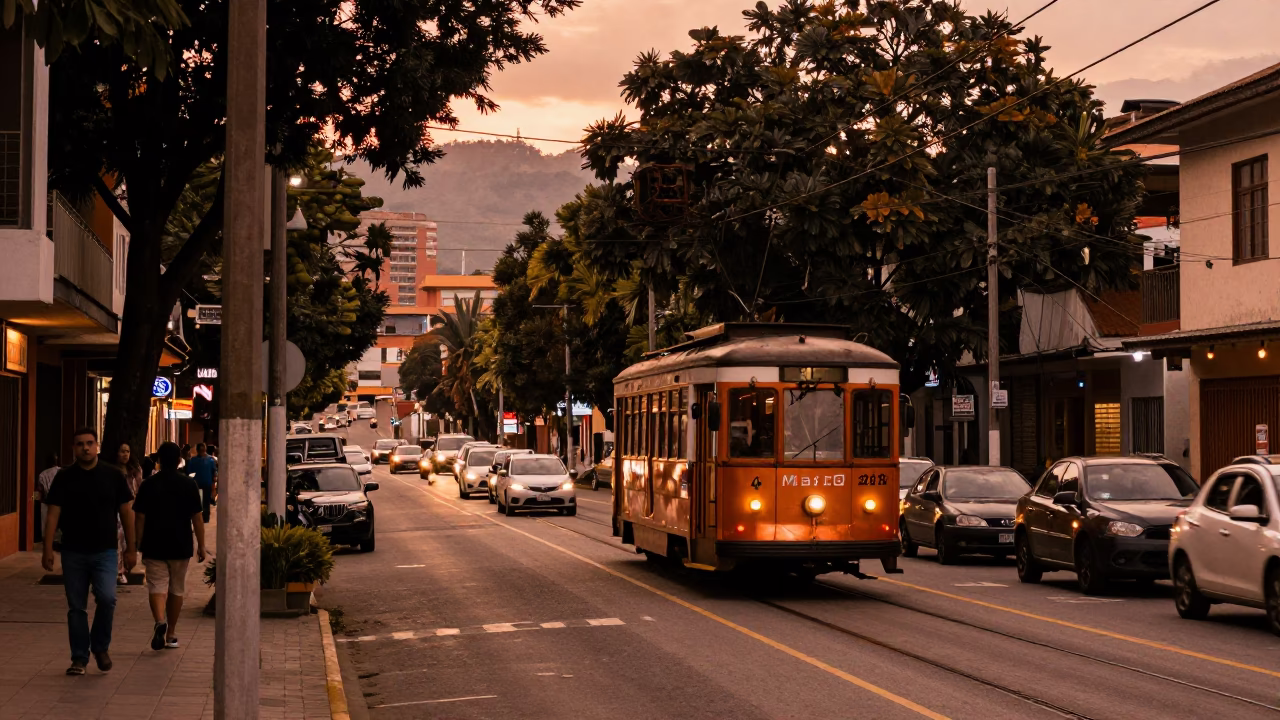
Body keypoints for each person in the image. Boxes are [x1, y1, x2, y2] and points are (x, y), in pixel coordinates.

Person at [42, 428, 136, 676]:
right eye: (79, 444)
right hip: (73, 551)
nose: (85, 448)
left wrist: (131, 548)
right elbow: (53, 513)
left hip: (105, 550)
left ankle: (100, 646)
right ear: (73, 448)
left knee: (107, 598)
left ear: (97, 445)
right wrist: (47, 548)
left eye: (89, 443)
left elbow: (126, 511)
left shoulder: (113, 475)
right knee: (77, 607)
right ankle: (79, 658)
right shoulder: (64, 477)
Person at [133, 442, 206, 651]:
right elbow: (197, 518)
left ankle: (159, 621)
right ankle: (171, 632)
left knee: (156, 586)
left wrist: (138, 541)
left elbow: (139, 515)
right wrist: (201, 545)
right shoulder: (189, 485)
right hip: (180, 544)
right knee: (176, 589)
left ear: (158, 461)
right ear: (178, 461)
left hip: (154, 543)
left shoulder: (148, 484)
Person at [114, 443, 145, 585]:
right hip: (116, 512)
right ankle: (119, 571)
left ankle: (126, 567)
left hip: (132, 510)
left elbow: (139, 491)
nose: (125, 454)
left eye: (127, 451)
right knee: (119, 540)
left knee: (129, 540)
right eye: (122, 451)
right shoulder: (112, 472)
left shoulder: (135, 471)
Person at [185, 443, 218, 523]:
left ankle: (201, 518)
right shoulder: (210, 460)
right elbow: (214, 472)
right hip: (203, 483)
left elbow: (189, 472)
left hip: (199, 483)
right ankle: (204, 518)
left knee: (200, 502)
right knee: (204, 502)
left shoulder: (194, 460)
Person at [34, 454, 60, 541]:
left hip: (46, 502)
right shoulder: (61, 471)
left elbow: (39, 490)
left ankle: (47, 540)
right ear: (56, 461)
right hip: (60, 502)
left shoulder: (43, 474)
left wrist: (33, 500)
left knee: (46, 523)